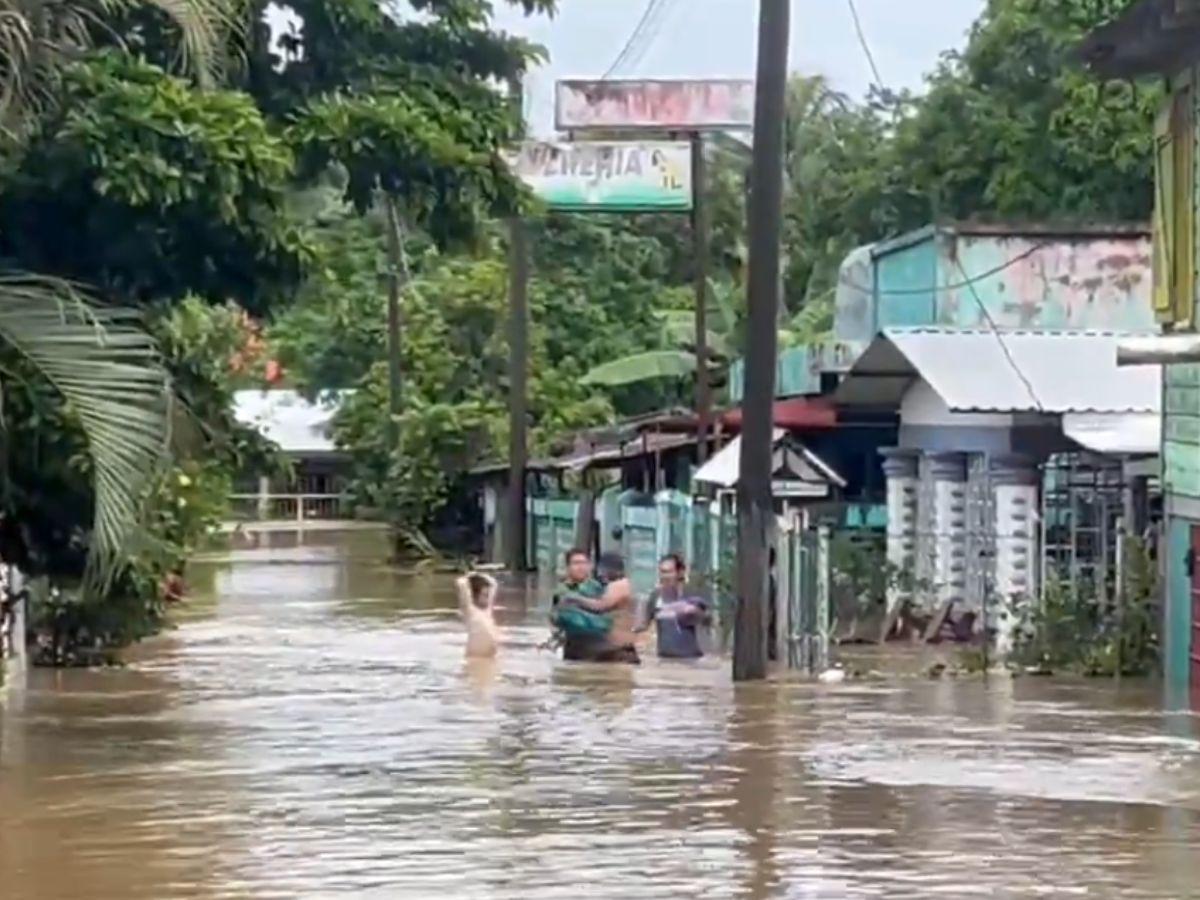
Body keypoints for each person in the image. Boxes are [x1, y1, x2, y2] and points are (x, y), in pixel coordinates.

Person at [557, 552, 639, 664]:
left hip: (618, 648)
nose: (601, 574)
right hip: (611, 647)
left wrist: (574, 600)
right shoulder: (601, 586)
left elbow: (600, 606)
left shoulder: (619, 585)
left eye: (603, 571)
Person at [641, 553, 708, 659]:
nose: (664, 576)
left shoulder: (691, 594)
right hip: (664, 658)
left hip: (690, 659)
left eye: (668, 572)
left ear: (680, 573)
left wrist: (692, 612)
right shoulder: (655, 596)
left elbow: (706, 620)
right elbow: (644, 626)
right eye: (662, 572)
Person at [456, 571, 500, 658]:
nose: (488, 598)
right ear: (474, 596)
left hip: (490, 656)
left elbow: (494, 584)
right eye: (485, 595)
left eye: (488, 595)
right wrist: (469, 576)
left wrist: (481, 575)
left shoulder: (487, 611)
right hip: (475, 657)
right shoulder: (469, 611)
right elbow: (461, 583)